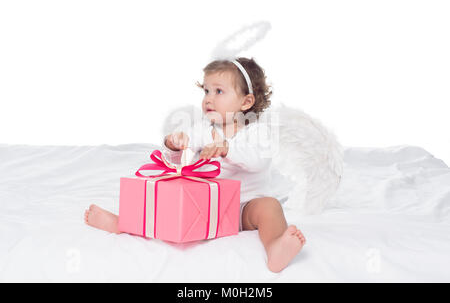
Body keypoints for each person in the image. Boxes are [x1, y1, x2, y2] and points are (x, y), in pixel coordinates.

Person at [85, 57, 306, 273]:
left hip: (244, 208)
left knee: (269, 206)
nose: (208, 99)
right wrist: (174, 145)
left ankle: (276, 245)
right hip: (208, 206)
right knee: (171, 203)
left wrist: (227, 149)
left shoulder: (257, 131)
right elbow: (180, 162)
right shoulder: (203, 129)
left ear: (246, 102)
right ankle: (124, 224)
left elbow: (257, 161)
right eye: (206, 91)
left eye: (218, 91)